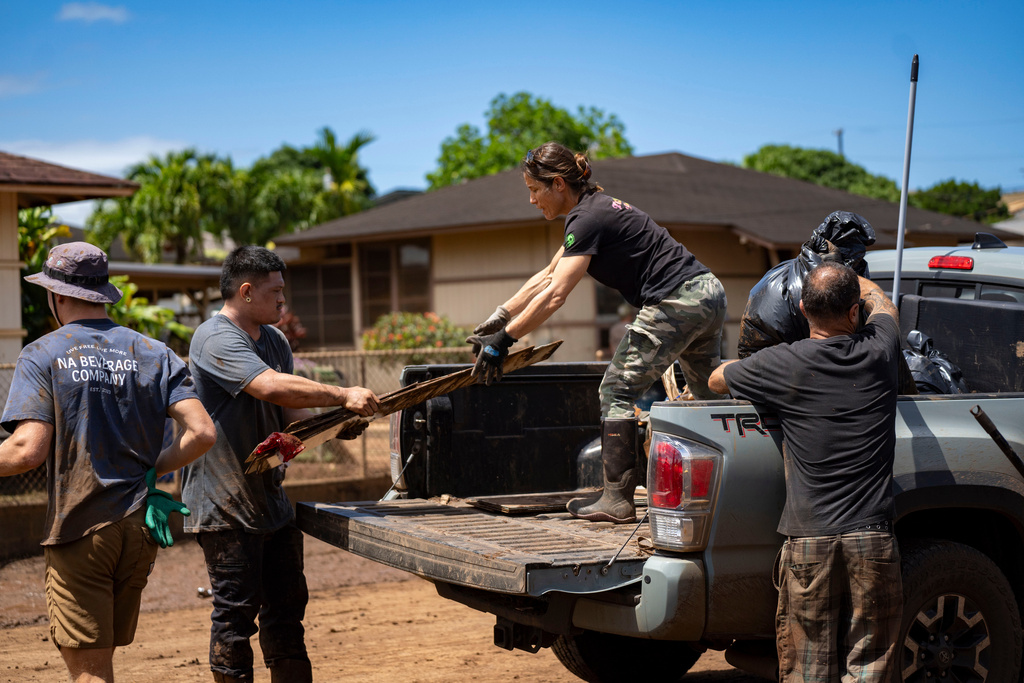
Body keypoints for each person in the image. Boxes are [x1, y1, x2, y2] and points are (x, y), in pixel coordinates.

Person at [468, 141, 727, 524]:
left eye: (534, 190)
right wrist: (501, 316)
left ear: (558, 184)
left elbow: (557, 294)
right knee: (708, 392)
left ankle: (616, 500)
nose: (531, 200)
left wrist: (504, 341)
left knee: (616, 389)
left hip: (677, 300)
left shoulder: (586, 218)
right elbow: (546, 276)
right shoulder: (592, 211)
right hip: (706, 292)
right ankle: (732, 480)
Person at [0, 242, 215, 683]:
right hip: (140, 529)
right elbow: (203, 433)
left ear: (56, 296)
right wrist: (153, 469)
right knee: (102, 655)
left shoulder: (42, 354)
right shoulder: (155, 353)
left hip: (82, 527)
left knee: (89, 669)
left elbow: (26, 451)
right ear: (103, 293)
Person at [181, 246, 380, 683]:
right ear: (246, 291)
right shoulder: (213, 338)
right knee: (235, 617)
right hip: (225, 505)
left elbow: (293, 420)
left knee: (287, 611)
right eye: (276, 292)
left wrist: (334, 426)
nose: (283, 301)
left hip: (270, 501)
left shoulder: (273, 340)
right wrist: (342, 394)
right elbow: (270, 388)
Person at [708, 262, 903, 682]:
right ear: (854, 313)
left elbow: (716, 379)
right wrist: (857, 277)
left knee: (808, 667)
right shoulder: (880, 350)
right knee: (872, 664)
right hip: (872, 538)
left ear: (801, 308)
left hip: (808, 542)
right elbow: (885, 306)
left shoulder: (782, 364)